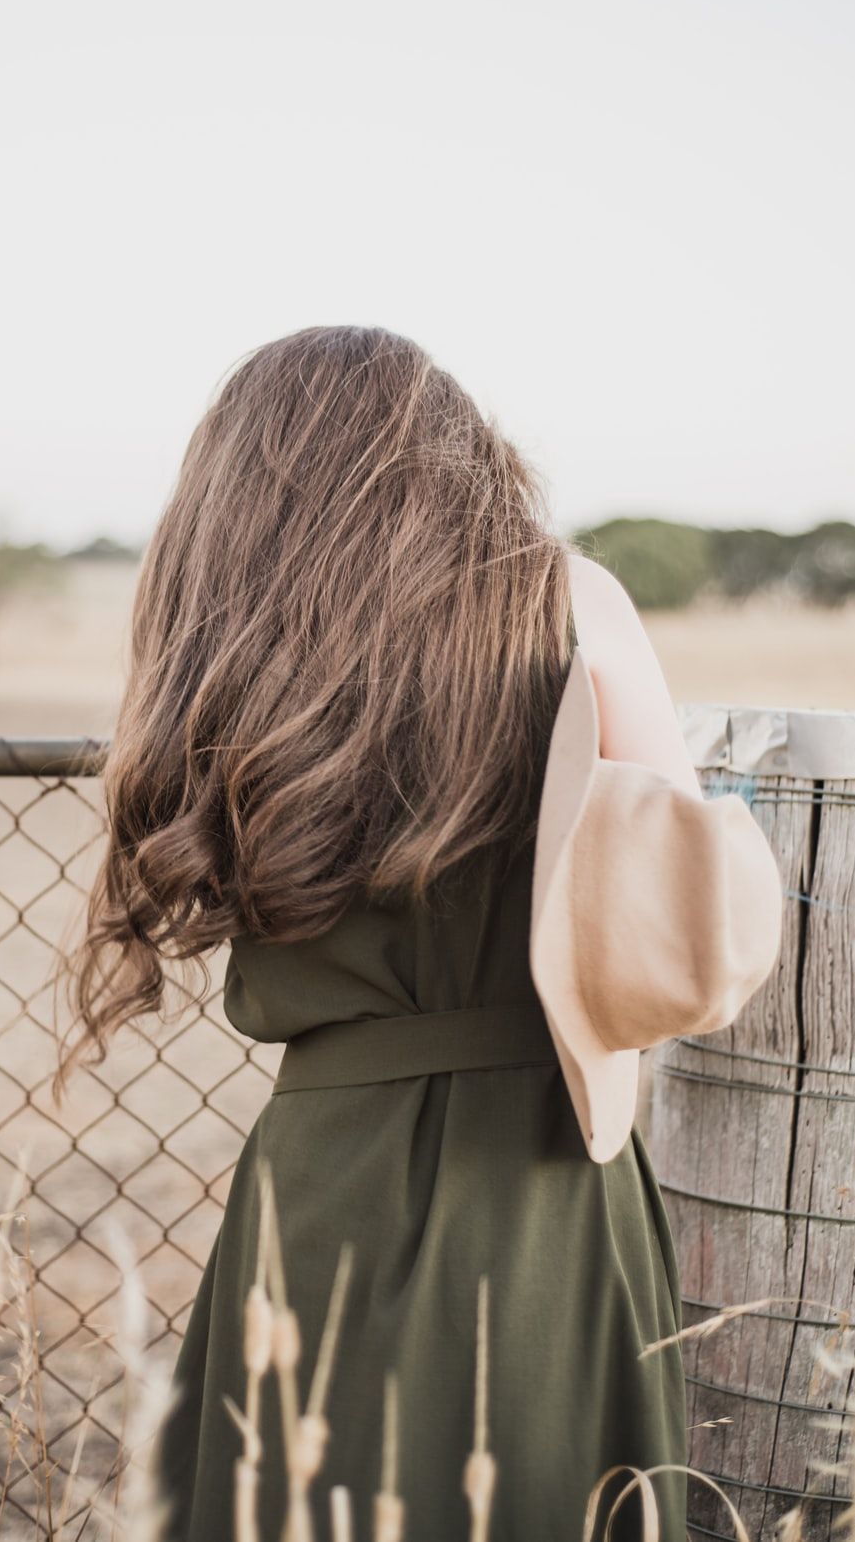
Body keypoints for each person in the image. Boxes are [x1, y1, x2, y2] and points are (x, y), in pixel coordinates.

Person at [59, 325, 694, 1540]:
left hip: (321, 1180)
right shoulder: (571, 605)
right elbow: (680, 902)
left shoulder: (231, 651)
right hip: (549, 1179)